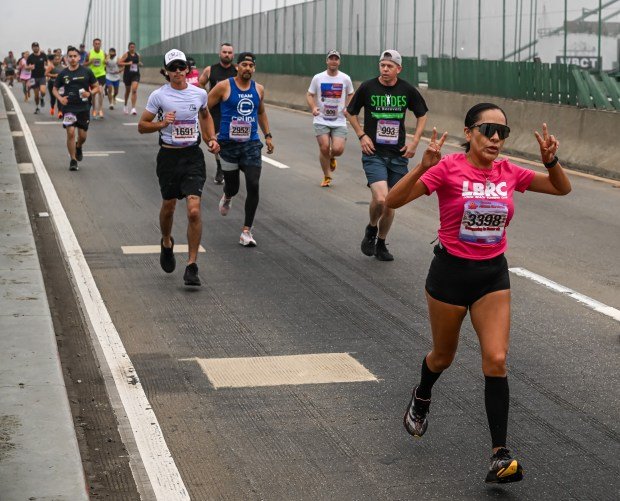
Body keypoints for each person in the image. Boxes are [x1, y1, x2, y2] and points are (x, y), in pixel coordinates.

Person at [385, 103, 571, 483]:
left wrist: (552, 161)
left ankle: (499, 455)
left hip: (491, 275)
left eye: (503, 132)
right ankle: (422, 395)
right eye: (488, 130)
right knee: (443, 356)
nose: (496, 138)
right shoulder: (449, 167)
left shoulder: (508, 171)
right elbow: (392, 201)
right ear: (468, 132)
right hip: (450, 275)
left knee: (497, 359)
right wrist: (423, 166)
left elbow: (560, 188)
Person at [138, 49, 219, 287]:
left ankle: (192, 265)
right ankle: (166, 241)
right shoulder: (158, 96)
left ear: (187, 69)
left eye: (180, 67)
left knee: (193, 210)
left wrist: (210, 138)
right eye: (172, 68)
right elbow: (142, 126)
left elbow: (205, 115)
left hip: (192, 156)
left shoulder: (199, 93)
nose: (177, 72)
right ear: (166, 72)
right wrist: (162, 123)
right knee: (169, 207)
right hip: (168, 157)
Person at [346, 50, 428, 261]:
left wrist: (415, 142)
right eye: (382, 65)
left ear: (398, 69)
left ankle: (381, 243)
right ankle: (371, 228)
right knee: (381, 198)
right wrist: (361, 135)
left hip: (398, 155)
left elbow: (422, 114)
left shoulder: (407, 90)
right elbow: (350, 111)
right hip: (374, 153)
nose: (384, 69)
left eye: (389, 66)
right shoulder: (368, 87)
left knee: (392, 203)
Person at [207, 52, 274, 247]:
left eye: (251, 66)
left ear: (254, 69)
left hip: (251, 144)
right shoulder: (224, 86)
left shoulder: (258, 89)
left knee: (253, 183)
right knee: (233, 187)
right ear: (237, 67)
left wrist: (268, 135)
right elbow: (204, 109)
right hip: (228, 145)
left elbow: (261, 112)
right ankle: (227, 196)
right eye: (244, 65)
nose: (247, 68)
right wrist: (212, 134)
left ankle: (246, 231)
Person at [306, 50, 354, 187]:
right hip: (321, 119)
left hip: (339, 120)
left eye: (336, 59)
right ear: (327, 61)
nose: (333, 61)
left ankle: (332, 157)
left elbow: (351, 94)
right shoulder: (318, 78)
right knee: (324, 147)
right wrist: (313, 107)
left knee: (338, 149)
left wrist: (347, 108)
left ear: (339, 62)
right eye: (331, 58)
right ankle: (327, 175)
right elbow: (309, 94)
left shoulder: (345, 78)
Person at [52, 46, 99, 171]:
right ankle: (73, 160)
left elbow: (96, 87)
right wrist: (60, 99)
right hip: (69, 108)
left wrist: (90, 93)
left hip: (83, 107)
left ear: (79, 58)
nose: (72, 58)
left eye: (75, 56)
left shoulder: (87, 71)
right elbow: (54, 89)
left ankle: (79, 146)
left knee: (82, 136)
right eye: (70, 56)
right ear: (66, 58)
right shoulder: (63, 73)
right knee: (71, 132)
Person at [199, 42, 237, 184]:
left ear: (233, 55)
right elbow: (201, 82)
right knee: (217, 140)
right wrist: (207, 95)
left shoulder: (237, 70)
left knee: (233, 140)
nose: (227, 55)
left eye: (229, 52)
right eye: (224, 52)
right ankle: (220, 168)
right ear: (219, 54)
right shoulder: (211, 70)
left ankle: (231, 166)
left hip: (232, 110)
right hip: (215, 111)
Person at [84, 38, 107, 119]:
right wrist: (90, 62)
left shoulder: (103, 53)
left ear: (100, 44)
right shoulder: (89, 53)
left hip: (101, 75)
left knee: (100, 91)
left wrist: (106, 62)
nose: (97, 45)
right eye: (95, 43)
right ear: (93, 44)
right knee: (94, 94)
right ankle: (94, 110)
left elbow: (106, 62)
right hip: (92, 75)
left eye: (98, 43)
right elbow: (84, 64)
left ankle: (100, 110)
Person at [119, 42, 142, 115]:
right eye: (131, 47)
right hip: (127, 75)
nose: (132, 48)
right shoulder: (126, 55)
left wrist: (140, 64)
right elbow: (119, 63)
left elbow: (138, 62)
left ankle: (133, 108)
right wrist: (127, 63)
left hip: (135, 74)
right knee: (128, 91)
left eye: (133, 47)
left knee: (134, 90)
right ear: (129, 48)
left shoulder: (137, 55)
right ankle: (125, 105)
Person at [26, 42, 49, 114]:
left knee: (43, 92)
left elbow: (47, 64)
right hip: (34, 77)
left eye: (36, 46)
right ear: (32, 48)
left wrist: (46, 68)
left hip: (42, 76)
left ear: (38, 47)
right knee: (36, 96)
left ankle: (42, 98)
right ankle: (37, 107)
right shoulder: (30, 57)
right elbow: (26, 67)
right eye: (34, 47)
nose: (35, 48)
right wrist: (29, 67)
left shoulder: (43, 55)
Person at [46, 53, 65, 118]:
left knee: (60, 97)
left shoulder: (62, 67)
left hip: (60, 84)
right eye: (56, 59)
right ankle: (52, 107)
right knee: (53, 98)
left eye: (58, 59)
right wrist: (54, 75)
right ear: (53, 60)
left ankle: (60, 112)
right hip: (52, 83)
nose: (57, 60)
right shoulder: (51, 66)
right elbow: (46, 74)